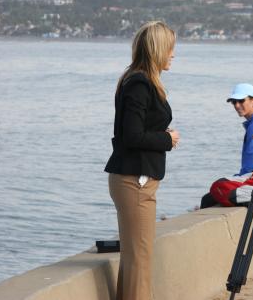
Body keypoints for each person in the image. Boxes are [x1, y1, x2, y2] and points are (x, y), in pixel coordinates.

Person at [104, 21, 180, 300]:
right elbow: (131, 135)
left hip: (137, 179)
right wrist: (166, 139)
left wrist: (162, 136)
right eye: (171, 49)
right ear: (158, 49)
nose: (173, 55)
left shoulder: (138, 80)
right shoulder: (139, 83)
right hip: (135, 180)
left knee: (136, 258)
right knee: (140, 259)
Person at [199, 83, 253, 209]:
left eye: (241, 101)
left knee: (212, 194)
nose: (237, 105)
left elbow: (250, 168)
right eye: (234, 102)